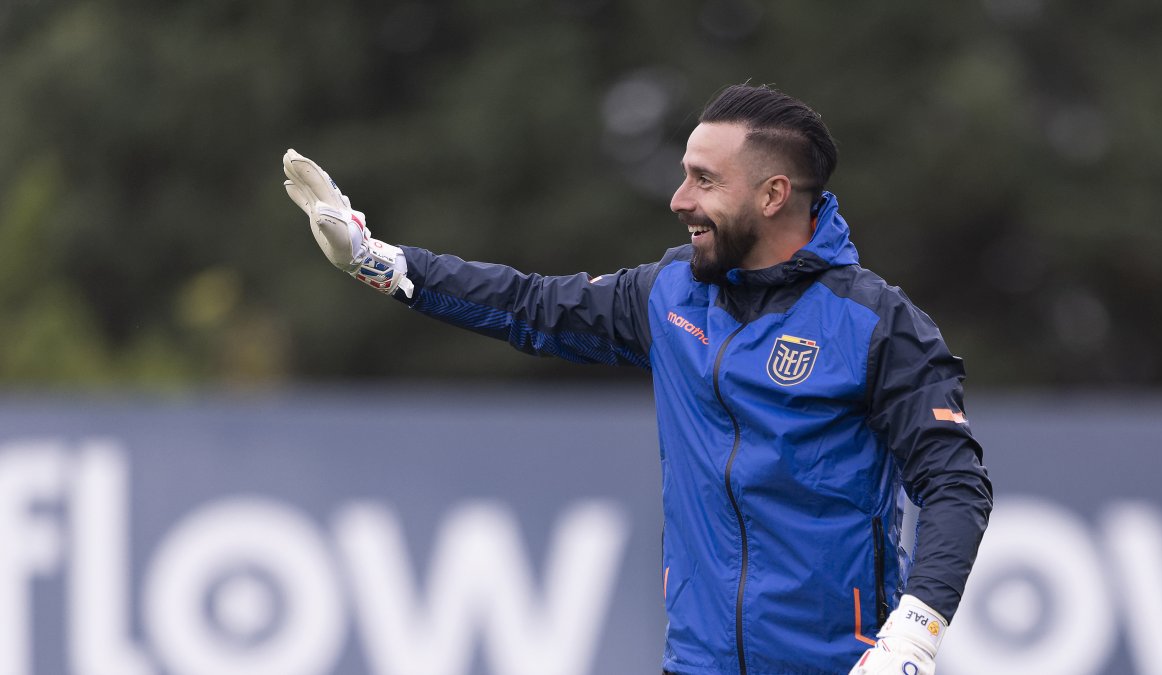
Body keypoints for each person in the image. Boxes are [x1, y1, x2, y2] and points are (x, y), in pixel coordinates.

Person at [282, 83, 992, 675]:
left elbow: (955, 484)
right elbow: (531, 305)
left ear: (774, 194)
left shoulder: (876, 323)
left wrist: (915, 634)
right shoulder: (670, 293)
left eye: (704, 180)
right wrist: (383, 263)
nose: (680, 199)